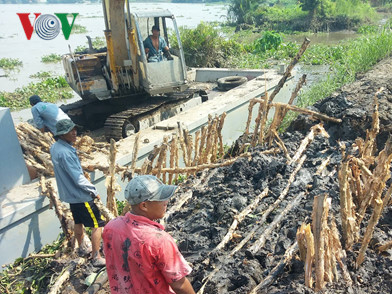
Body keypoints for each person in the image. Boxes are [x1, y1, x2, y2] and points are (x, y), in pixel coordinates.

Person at [103, 175, 196, 294]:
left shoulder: (111, 227)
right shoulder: (159, 240)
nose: (166, 202)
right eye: (160, 198)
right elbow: (179, 285)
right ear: (144, 206)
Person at [50, 119, 106, 267]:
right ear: (62, 134)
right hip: (81, 195)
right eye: (70, 131)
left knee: (78, 221)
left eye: (75, 129)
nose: (75, 133)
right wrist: (93, 190)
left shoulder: (55, 148)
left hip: (70, 195)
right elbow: (77, 177)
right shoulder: (66, 153)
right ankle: (96, 257)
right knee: (97, 224)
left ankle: (82, 248)